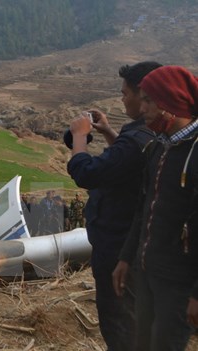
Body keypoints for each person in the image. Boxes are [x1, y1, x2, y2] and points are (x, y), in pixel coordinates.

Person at [67, 61, 161, 350]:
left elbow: (87, 173)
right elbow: (128, 162)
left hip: (118, 246)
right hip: (138, 245)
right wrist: (107, 130)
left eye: (125, 93)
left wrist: (80, 137)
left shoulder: (136, 141)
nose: (122, 99)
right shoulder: (150, 135)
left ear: (142, 95)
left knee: (120, 324)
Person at [112, 65, 198, 350]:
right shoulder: (158, 148)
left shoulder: (194, 153)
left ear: (171, 103)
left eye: (149, 100)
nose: (143, 106)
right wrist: (126, 258)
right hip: (148, 271)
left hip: (178, 283)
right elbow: (143, 208)